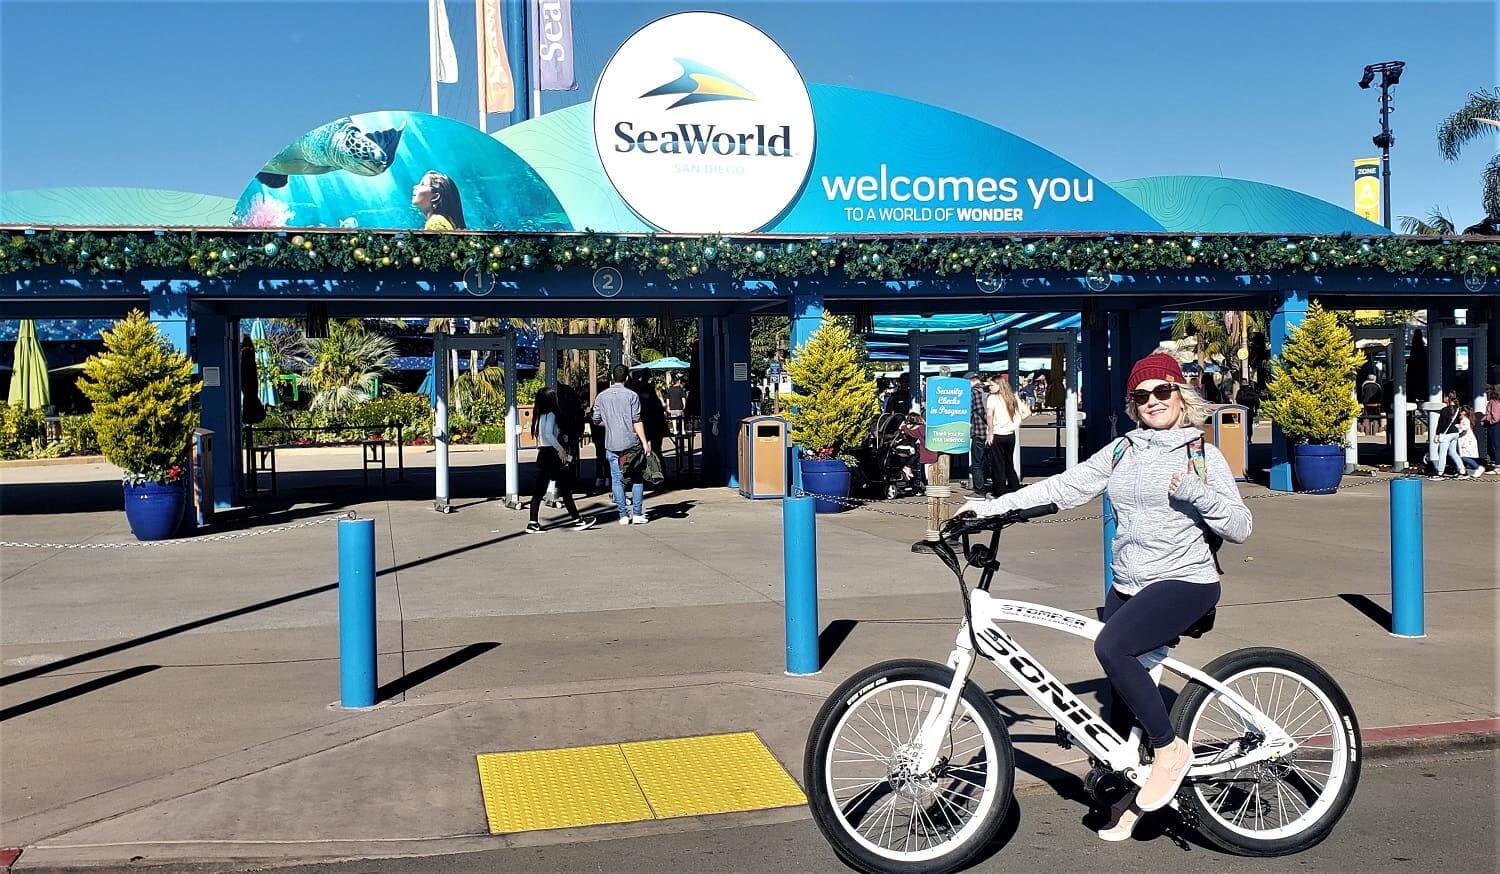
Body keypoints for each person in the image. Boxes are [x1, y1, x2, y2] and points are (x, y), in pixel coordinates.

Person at [960, 351, 1252, 839]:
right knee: (1119, 698)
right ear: (1133, 405)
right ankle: (1132, 797)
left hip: (1185, 581)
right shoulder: (1122, 451)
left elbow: (1241, 526)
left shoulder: (1202, 454)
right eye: (1142, 395)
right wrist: (990, 509)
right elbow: (1066, 486)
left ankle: (1168, 750)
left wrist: (1197, 494)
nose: (1154, 401)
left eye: (1163, 391)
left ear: (1180, 395)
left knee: (1111, 648)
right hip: (1128, 584)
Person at [525, 388, 595, 533]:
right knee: (565, 489)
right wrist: (560, 449)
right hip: (552, 454)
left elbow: (543, 436)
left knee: (538, 490)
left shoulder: (538, 415)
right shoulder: (551, 414)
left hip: (543, 454)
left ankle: (533, 522)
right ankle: (577, 520)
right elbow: (549, 435)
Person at [592, 365, 650, 524]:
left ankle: (623, 515)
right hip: (631, 443)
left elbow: (595, 419)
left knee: (617, 480)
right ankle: (637, 513)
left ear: (612, 376)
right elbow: (637, 420)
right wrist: (645, 442)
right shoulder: (632, 395)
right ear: (626, 378)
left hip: (611, 443)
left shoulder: (601, 397)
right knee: (637, 478)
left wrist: (610, 423)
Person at [985, 375, 1030, 498]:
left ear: (999, 385)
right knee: (1009, 463)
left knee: (997, 465)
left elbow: (989, 416)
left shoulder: (992, 398)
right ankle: (1015, 487)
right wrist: (1016, 421)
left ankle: (1000, 491)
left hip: (997, 434)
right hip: (1010, 434)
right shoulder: (1012, 397)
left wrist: (990, 433)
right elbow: (1027, 412)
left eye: (991, 385)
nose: (989, 387)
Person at [967, 372, 990, 496]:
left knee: (977, 463)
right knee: (992, 461)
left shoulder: (974, 392)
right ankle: (995, 486)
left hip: (979, 431)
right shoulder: (989, 390)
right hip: (993, 432)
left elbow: (975, 410)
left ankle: (979, 490)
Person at [1429, 392, 1463, 479]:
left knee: (1442, 453)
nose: (1443, 398)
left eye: (1444, 397)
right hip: (1455, 433)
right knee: (1453, 452)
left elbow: (1441, 424)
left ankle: (1440, 472)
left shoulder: (1445, 410)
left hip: (1446, 435)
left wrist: (1437, 434)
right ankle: (1462, 470)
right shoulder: (1458, 409)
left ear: (1448, 398)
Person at [587, 378, 610, 492]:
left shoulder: (596, 404)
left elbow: (593, 419)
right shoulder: (608, 404)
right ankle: (607, 477)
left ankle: (599, 477)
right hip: (607, 435)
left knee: (600, 457)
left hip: (598, 435)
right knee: (608, 457)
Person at [1455, 408, 1485, 478]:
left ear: (1464, 412)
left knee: (1464, 457)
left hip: (1467, 441)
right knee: (1461, 456)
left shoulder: (1465, 420)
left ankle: (1477, 467)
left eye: (1460, 412)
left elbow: (1465, 428)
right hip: (1465, 441)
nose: (1459, 414)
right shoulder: (1463, 420)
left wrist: (1458, 426)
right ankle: (1461, 471)